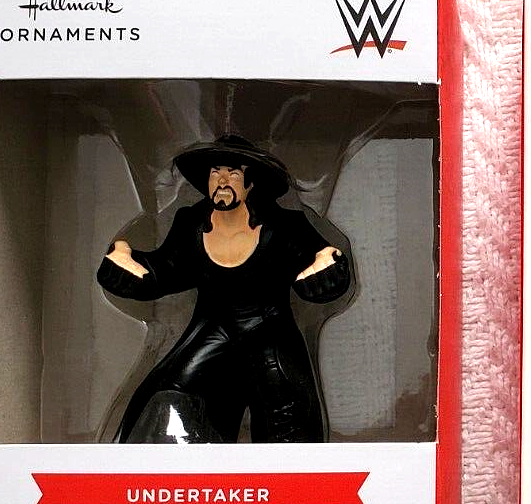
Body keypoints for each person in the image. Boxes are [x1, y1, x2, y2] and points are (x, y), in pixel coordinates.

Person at [97, 134, 351, 443]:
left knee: (284, 404)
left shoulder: (283, 226)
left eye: (233, 173)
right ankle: (177, 462)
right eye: (215, 172)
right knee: (169, 393)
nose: (222, 181)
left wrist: (328, 270)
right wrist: (128, 267)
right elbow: (165, 270)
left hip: (269, 331)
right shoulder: (191, 224)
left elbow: (317, 260)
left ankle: (286, 469)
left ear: (251, 183)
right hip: (214, 330)